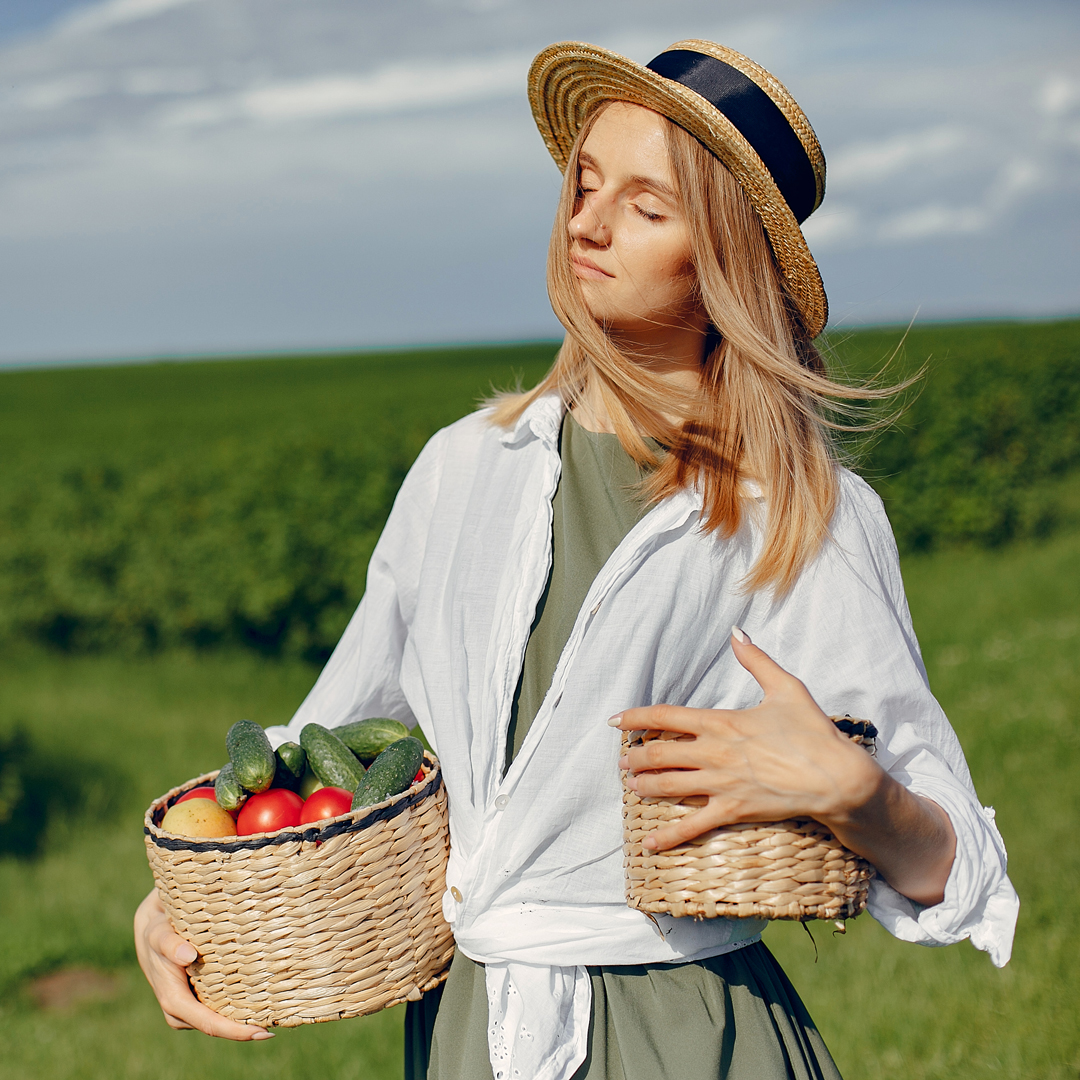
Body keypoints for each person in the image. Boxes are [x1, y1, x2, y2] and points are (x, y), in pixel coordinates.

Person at [135, 39, 1019, 1080]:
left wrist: (859, 796)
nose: (588, 223)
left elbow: (955, 864)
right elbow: (332, 743)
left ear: (725, 260)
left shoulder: (803, 516)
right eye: (585, 184)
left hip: (690, 1039)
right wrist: (196, 889)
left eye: (647, 207)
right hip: (473, 1033)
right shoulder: (464, 468)